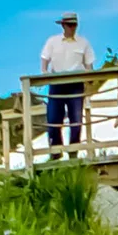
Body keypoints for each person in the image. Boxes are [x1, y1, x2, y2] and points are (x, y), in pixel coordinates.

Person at [40, 11, 95, 150]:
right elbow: (44, 58)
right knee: (53, 119)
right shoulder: (52, 41)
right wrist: (45, 73)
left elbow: (89, 64)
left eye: (74, 25)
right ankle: (56, 150)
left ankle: (74, 150)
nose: (72, 27)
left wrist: (89, 79)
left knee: (76, 119)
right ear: (63, 25)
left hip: (76, 83)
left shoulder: (83, 42)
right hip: (56, 82)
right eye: (70, 25)